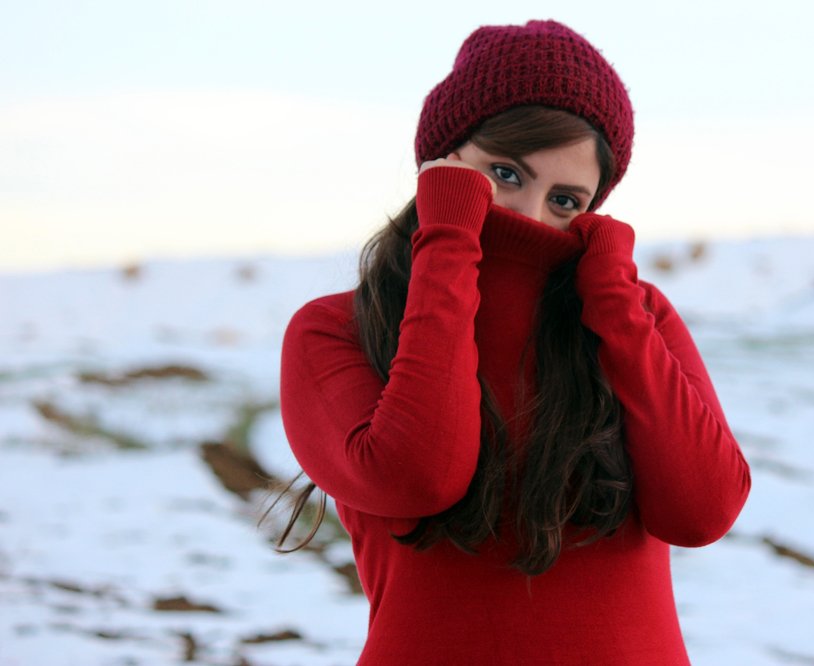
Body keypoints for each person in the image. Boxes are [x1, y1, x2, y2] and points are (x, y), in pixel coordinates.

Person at [278, 19, 751, 665]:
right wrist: (449, 242)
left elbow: (702, 511)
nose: (529, 218)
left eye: (565, 200)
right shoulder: (337, 329)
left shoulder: (635, 318)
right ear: (442, 165)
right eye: (504, 173)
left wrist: (615, 303)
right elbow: (418, 477)